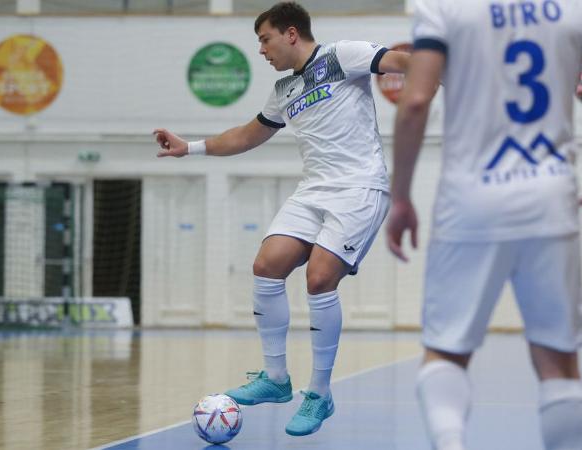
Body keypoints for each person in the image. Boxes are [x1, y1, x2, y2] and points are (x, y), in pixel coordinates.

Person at [386, 1, 582, 449]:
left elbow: (414, 102)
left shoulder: (444, 8)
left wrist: (402, 196)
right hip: (550, 201)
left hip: (469, 203)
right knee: (558, 367)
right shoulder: (578, 7)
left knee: (445, 353)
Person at [153, 1, 409, 436]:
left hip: (359, 188)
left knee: (319, 279)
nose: (261, 50)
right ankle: (275, 380)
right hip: (313, 191)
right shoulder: (282, 91)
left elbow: (398, 61)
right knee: (267, 267)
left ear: (291, 33)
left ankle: (319, 393)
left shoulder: (341, 55)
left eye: (265, 39)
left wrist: (439, 67)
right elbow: (246, 136)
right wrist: (189, 147)